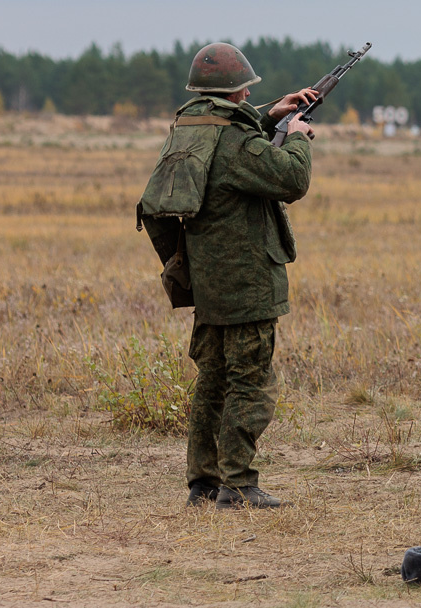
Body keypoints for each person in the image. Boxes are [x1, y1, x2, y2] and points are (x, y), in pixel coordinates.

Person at [166, 42, 319, 509]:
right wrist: (295, 135)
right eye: (247, 90)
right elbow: (290, 178)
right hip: (247, 283)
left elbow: (237, 141)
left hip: (209, 281)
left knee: (212, 382)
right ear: (235, 92)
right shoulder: (234, 144)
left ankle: (203, 483)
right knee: (249, 383)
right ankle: (238, 485)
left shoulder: (191, 130)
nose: (249, 94)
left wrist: (274, 115)